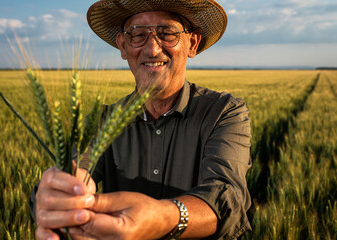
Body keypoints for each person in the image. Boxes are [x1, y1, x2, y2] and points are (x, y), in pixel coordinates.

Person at [31, 0, 252, 239]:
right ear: (123, 46)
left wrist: (163, 217)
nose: (152, 49)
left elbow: (227, 199)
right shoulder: (101, 122)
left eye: (168, 33)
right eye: (138, 34)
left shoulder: (224, 112)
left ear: (193, 43)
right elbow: (75, 171)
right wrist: (61, 195)